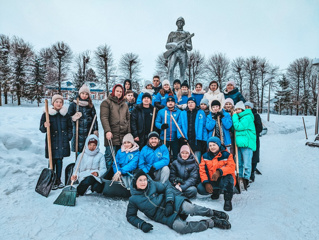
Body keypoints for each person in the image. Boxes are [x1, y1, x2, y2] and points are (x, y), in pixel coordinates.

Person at [126, 169, 231, 234]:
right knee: (181, 228)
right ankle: (212, 222)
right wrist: (142, 224)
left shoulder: (152, 184)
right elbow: (130, 216)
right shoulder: (133, 199)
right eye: (140, 180)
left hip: (173, 202)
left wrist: (169, 202)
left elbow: (167, 188)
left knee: (190, 208)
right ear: (135, 182)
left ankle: (212, 212)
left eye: (145, 179)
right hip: (163, 216)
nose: (144, 182)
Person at [39, 94, 72, 189]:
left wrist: (68, 137)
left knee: (59, 161)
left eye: (60, 102)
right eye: (56, 102)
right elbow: (41, 129)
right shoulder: (47, 114)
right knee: (51, 161)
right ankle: (51, 180)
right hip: (52, 142)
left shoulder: (65, 115)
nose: (58, 104)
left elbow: (70, 127)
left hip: (62, 141)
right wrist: (45, 125)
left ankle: (58, 180)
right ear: (53, 103)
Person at [197, 137, 236, 211]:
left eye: (214, 145)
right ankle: (215, 191)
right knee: (200, 188)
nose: (212, 147)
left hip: (223, 180)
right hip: (212, 180)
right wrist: (206, 183)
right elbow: (202, 170)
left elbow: (231, 167)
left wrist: (219, 172)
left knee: (229, 177)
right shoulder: (205, 156)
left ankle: (227, 200)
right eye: (210, 145)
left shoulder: (227, 155)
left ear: (218, 145)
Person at [100, 84, 130, 179]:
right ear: (113, 91)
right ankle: (108, 178)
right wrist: (107, 131)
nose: (119, 93)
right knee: (110, 157)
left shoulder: (124, 105)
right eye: (117, 91)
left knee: (120, 158)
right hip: (111, 135)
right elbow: (104, 117)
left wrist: (128, 135)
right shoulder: (106, 103)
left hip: (122, 136)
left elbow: (128, 119)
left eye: (121, 92)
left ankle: (118, 178)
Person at [68, 84, 98, 154]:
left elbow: (94, 118)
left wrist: (95, 129)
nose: (84, 95)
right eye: (82, 93)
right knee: (79, 152)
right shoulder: (74, 105)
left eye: (86, 94)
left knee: (88, 151)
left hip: (88, 131)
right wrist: (73, 118)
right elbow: (68, 118)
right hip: (77, 133)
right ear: (79, 94)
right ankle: (78, 164)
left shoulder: (90, 105)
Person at [232, 101, 256, 189]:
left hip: (246, 143)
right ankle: (240, 178)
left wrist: (234, 116)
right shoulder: (239, 117)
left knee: (246, 163)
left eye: (239, 109)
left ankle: (246, 178)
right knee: (239, 163)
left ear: (243, 109)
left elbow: (238, 127)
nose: (237, 111)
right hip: (239, 143)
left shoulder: (247, 117)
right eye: (236, 109)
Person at [178, 97, 207, 162]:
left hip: (197, 140)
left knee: (197, 159)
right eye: (189, 103)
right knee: (186, 158)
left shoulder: (201, 113)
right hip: (186, 139)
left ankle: (197, 171)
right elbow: (179, 126)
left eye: (192, 102)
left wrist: (204, 139)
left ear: (195, 104)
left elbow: (204, 127)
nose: (190, 104)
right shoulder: (183, 113)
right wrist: (180, 137)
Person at [165, 17, 193, 85]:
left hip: (183, 53)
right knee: (171, 69)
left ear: (183, 24)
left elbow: (190, 47)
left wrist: (185, 45)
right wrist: (174, 45)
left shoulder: (187, 33)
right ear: (176, 23)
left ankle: (182, 86)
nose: (180, 24)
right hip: (174, 53)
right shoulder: (172, 33)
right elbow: (167, 45)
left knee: (182, 71)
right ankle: (170, 86)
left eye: (181, 22)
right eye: (178, 22)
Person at [155, 96, 181, 160]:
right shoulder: (161, 112)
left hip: (175, 138)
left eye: (172, 102)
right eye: (168, 102)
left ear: (174, 103)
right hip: (164, 137)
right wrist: (161, 126)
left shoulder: (179, 112)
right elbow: (157, 122)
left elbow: (180, 124)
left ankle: (174, 167)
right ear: (166, 103)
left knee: (176, 154)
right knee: (163, 154)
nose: (170, 103)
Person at [244, 101, 263, 182]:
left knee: (254, 156)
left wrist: (251, 131)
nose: (247, 109)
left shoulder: (256, 116)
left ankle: (252, 173)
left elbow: (259, 128)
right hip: (244, 139)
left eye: (248, 107)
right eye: (245, 107)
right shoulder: (242, 115)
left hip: (253, 138)